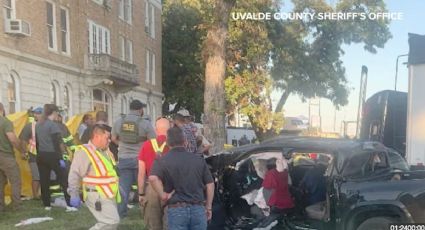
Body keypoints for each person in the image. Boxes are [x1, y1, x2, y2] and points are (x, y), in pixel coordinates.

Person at [149, 126, 215, 230]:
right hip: (198, 208)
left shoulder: (162, 160)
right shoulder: (198, 160)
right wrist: (208, 207)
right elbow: (210, 184)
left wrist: (163, 195)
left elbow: (152, 178)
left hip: (176, 210)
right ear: (185, 142)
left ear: (167, 143)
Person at [68, 124, 120, 229]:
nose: (109, 140)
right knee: (111, 222)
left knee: (110, 224)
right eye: (107, 137)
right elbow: (74, 173)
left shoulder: (104, 151)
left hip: (108, 193)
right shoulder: (84, 152)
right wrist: (74, 194)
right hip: (97, 195)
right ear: (97, 136)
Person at [112, 99, 156, 218]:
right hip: (140, 160)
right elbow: (153, 142)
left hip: (124, 158)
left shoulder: (119, 121)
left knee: (123, 189)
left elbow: (113, 138)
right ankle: (146, 213)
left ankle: (120, 214)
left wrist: (121, 145)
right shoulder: (145, 123)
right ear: (140, 109)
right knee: (144, 187)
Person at [35, 104, 70, 210]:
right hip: (53, 155)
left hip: (41, 155)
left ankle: (47, 205)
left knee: (44, 180)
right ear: (54, 113)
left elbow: (37, 142)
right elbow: (57, 142)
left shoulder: (38, 124)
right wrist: (62, 156)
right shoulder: (53, 125)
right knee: (64, 178)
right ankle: (69, 204)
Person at [138, 118, 171, 230]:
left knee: (153, 224)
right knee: (169, 223)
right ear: (169, 129)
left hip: (151, 188)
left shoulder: (146, 145)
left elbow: (141, 172)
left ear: (156, 130)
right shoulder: (173, 146)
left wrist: (141, 193)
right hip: (169, 188)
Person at [0, 103, 25, 212]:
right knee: (15, 180)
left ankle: (1, 206)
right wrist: (22, 151)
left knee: (0, 182)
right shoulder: (5, 122)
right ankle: (17, 206)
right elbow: (13, 139)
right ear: (1, 109)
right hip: (6, 156)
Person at [19, 107, 43, 199]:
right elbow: (23, 140)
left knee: (44, 175)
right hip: (34, 155)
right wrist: (24, 152)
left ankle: (41, 193)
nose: (36, 115)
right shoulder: (30, 126)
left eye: (39, 113)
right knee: (36, 176)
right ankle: (35, 195)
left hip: (45, 155)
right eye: (35, 113)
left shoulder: (47, 125)